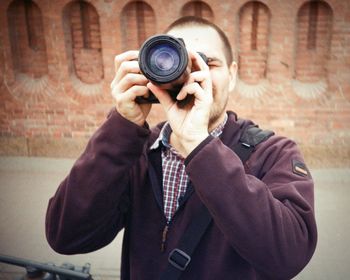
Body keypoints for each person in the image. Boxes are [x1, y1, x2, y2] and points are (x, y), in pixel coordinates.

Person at [45, 17, 317, 279]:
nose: (195, 76)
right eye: (179, 64)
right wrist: (122, 127)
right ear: (149, 71)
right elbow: (66, 235)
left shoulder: (273, 153)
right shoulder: (134, 150)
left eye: (208, 63)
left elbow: (287, 257)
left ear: (232, 75)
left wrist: (199, 145)